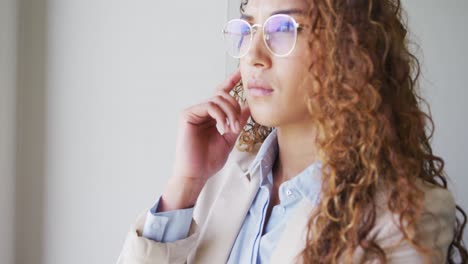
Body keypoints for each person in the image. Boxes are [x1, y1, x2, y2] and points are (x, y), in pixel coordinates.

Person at [117, 0, 468, 263]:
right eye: (249, 29)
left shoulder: (406, 216)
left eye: (282, 30)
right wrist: (185, 185)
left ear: (349, 48)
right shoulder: (219, 180)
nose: (253, 55)